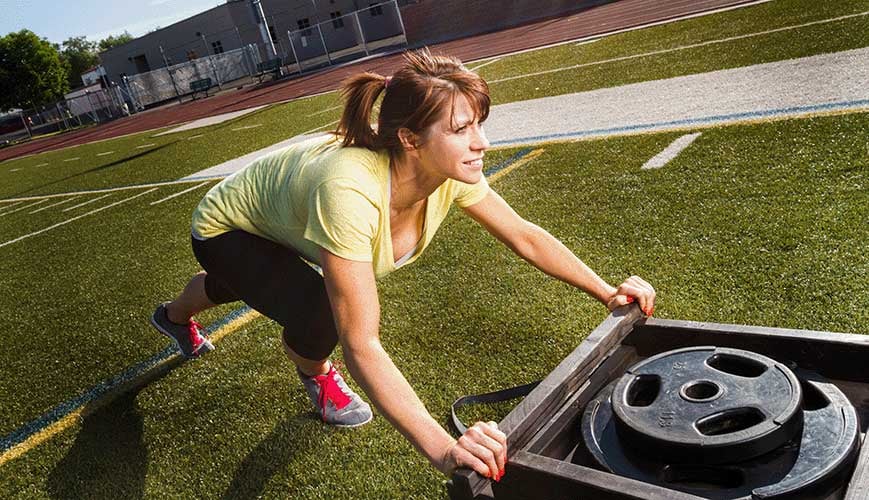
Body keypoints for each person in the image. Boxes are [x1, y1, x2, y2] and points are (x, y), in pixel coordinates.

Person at [151, 48, 655, 482]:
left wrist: (605, 290)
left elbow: (523, 235)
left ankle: (175, 315)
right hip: (228, 227)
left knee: (253, 281)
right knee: (319, 313)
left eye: (479, 124)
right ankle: (315, 376)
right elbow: (362, 343)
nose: (481, 142)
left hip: (280, 219)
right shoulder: (348, 192)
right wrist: (445, 449)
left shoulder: (449, 169)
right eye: (461, 129)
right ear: (411, 140)